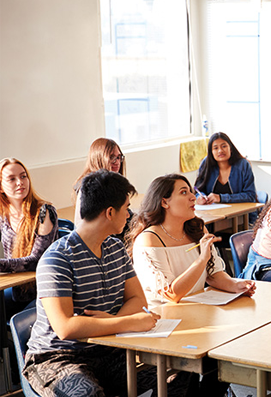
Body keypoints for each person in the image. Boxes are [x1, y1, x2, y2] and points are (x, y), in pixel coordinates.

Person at [23, 169, 160, 397]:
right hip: (56, 358)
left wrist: (114, 321)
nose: (129, 215)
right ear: (109, 212)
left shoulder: (115, 248)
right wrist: (128, 323)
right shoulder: (57, 258)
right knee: (89, 394)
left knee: (175, 376)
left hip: (107, 350)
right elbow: (66, 328)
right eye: (126, 208)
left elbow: (138, 299)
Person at [129, 174, 256, 304]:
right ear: (164, 202)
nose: (192, 197)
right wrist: (201, 260)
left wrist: (235, 285)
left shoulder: (197, 230)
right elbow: (171, 295)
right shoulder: (149, 239)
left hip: (194, 306)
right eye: (184, 192)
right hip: (163, 314)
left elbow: (213, 274)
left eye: (191, 192)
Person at [0, 158, 58, 316]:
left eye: (23, 176)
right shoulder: (3, 216)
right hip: (16, 290)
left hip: (44, 293)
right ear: (1, 187)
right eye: (12, 179)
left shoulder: (44, 212)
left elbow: (36, 261)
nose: (20, 182)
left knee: (15, 320)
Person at [73, 137, 130, 241]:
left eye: (119, 157)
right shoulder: (89, 187)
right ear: (99, 158)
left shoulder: (114, 184)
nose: (117, 162)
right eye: (112, 157)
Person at [194, 132, 256, 205]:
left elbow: (250, 196)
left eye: (224, 146)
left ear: (231, 148)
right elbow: (198, 190)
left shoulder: (243, 165)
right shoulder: (206, 164)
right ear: (211, 152)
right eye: (215, 148)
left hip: (241, 214)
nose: (220, 151)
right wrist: (200, 197)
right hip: (213, 213)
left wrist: (220, 198)